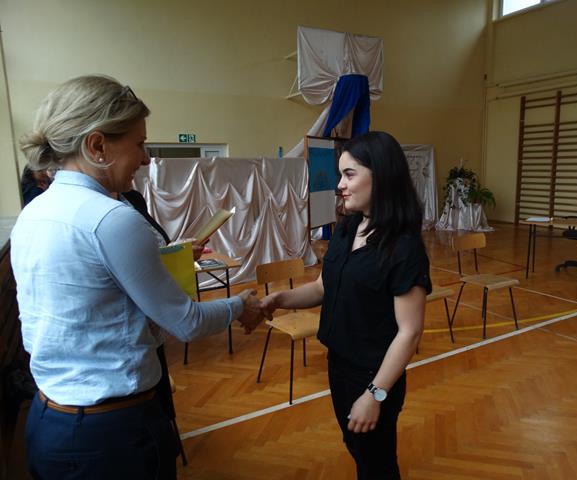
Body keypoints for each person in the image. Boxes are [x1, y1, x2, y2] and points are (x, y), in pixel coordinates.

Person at [11, 75, 263, 480]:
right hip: (111, 436)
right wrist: (241, 305)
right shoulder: (113, 218)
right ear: (97, 146)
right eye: (139, 143)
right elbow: (186, 322)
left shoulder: (32, 214)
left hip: (48, 422)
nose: (145, 159)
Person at [260, 131, 432, 479]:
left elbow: (409, 333)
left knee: (376, 464)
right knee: (357, 448)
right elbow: (322, 288)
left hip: (374, 375)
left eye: (349, 174)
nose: (340, 185)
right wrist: (279, 299)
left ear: (381, 175)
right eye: (341, 175)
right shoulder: (347, 228)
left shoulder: (403, 248)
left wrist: (374, 395)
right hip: (338, 364)